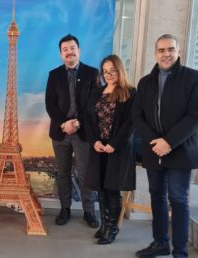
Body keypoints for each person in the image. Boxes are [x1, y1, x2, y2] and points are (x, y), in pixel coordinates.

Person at [132, 34, 198, 258]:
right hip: (153, 151)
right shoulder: (145, 82)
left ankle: (180, 253)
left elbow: (194, 116)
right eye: (161, 50)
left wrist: (168, 142)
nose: (166, 54)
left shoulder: (193, 78)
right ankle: (160, 243)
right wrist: (155, 142)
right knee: (156, 195)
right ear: (155, 53)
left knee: (178, 200)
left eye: (170, 49)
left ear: (178, 51)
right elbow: (137, 116)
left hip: (181, 150)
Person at [45, 34, 99, 228]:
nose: (69, 52)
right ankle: (65, 209)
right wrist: (63, 124)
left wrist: (76, 124)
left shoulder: (92, 73)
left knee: (85, 174)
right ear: (61, 54)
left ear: (79, 50)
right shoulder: (54, 75)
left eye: (72, 48)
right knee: (62, 173)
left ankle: (89, 211)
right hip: (60, 133)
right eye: (65, 49)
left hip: (83, 132)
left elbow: (95, 104)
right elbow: (50, 105)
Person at [84, 54, 136, 244]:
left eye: (112, 70)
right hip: (99, 148)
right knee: (101, 189)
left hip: (117, 149)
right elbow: (88, 120)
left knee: (112, 190)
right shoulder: (97, 91)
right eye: (105, 71)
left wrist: (114, 144)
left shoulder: (130, 92)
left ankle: (112, 229)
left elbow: (130, 123)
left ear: (120, 70)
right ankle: (104, 225)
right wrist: (94, 141)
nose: (109, 74)